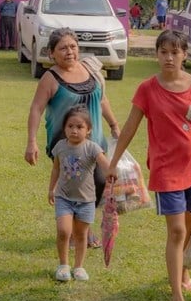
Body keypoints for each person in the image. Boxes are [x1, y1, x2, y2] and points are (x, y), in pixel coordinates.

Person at [107, 30, 191, 301]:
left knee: (190, 229)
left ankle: (183, 272)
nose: (169, 57)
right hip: (166, 170)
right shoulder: (147, 89)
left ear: (184, 55)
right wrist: (113, 162)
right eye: (163, 52)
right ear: (156, 55)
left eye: (175, 52)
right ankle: (178, 297)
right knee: (177, 231)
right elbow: (130, 127)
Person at [25, 27, 120, 248]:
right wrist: (31, 141)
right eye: (63, 48)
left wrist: (114, 125)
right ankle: (77, 233)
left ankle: (81, 230)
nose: (69, 52)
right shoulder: (51, 78)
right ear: (51, 53)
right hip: (66, 146)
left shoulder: (89, 69)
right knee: (74, 187)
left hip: (94, 143)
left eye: (73, 46)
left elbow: (102, 99)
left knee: (97, 183)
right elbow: (36, 109)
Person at [49, 105, 112, 281]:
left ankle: (78, 267)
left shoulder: (92, 148)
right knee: (63, 231)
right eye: (70, 126)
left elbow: (104, 163)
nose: (74, 131)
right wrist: (51, 189)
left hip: (86, 200)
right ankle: (63, 265)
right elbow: (56, 169)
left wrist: (112, 173)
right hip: (64, 198)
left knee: (81, 235)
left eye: (79, 127)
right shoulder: (60, 146)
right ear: (64, 128)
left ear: (89, 130)